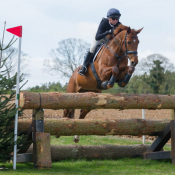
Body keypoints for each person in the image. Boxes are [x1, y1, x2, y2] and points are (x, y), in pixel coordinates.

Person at [78, 8, 121, 76]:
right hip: (99, 37)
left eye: (117, 18)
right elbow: (97, 37)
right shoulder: (104, 23)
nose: (115, 20)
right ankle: (84, 67)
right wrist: (108, 32)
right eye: (113, 18)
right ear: (109, 18)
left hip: (108, 40)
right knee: (93, 47)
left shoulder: (119, 25)